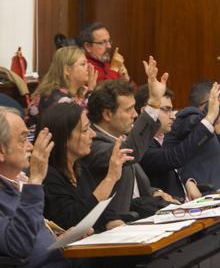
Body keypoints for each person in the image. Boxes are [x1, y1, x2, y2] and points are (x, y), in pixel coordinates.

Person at [83, 56, 180, 224]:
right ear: (107, 114)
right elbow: (129, 153)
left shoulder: (121, 138)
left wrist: (154, 192)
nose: (135, 115)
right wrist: (155, 102)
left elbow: (135, 186)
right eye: (128, 110)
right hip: (115, 228)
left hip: (140, 218)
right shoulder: (93, 143)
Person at [0, 106, 89, 268]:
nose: (30, 147)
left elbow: (36, 244)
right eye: (22, 139)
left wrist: (62, 240)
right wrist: (35, 179)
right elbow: (18, 245)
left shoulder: (17, 183)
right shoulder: (27, 185)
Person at [38, 102, 134, 231]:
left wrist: (118, 225)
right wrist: (110, 178)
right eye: (85, 130)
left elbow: (102, 210)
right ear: (64, 137)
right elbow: (73, 220)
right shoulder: (48, 175)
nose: (93, 134)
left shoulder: (80, 167)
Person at [135, 83, 220, 201]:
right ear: (146, 111)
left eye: (172, 110)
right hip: (170, 211)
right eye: (166, 110)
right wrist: (210, 116)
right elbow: (174, 157)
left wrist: (187, 181)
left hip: (190, 205)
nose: (173, 116)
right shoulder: (139, 145)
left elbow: (175, 166)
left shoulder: (163, 138)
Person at [164, 81, 220, 191]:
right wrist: (210, 115)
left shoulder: (210, 127)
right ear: (207, 104)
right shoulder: (188, 114)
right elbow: (192, 122)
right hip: (205, 196)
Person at [27, 45, 98, 129]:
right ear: (67, 70)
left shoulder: (81, 90)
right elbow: (79, 124)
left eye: (87, 63)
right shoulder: (54, 96)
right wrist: (91, 91)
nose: (89, 67)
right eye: (83, 64)